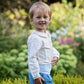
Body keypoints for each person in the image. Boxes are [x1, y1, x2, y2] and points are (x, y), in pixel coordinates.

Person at [27, 1, 60, 84]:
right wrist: (36, 76)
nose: (42, 19)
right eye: (38, 17)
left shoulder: (46, 34)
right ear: (32, 20)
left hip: (45, 72)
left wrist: (56, 55)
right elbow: (32, 57)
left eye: (45, 17)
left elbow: (49, 47)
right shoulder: (35, 38)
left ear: (49, 19)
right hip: (40, 73)